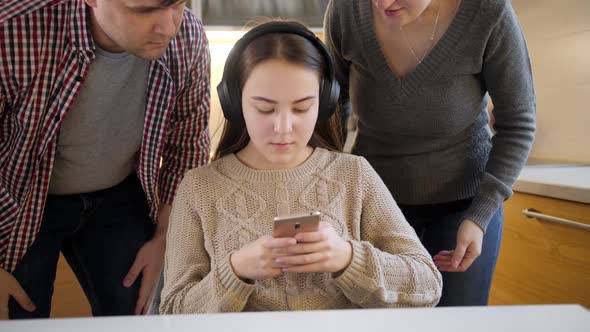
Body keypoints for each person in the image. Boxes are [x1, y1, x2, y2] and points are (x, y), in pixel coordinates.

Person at [159, 20, 442, 314]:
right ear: (234, 102)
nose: (283, 128)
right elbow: (172, 312)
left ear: (325, 102)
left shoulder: (354, 175)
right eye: (265, 108)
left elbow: (428, 284)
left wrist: (347, 258)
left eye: (302, 108)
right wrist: (235, 270)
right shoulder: (199, 187)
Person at [0, 0, 210, 319]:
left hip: (119, 192)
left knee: (144, 309)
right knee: (19, 314)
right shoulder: (11, 29)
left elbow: (188, 144)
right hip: (18, 198)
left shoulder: (187, 37)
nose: (168, 26)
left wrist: (166, 237)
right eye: (143, 10)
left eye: (178, 4)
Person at [323, 0, 536, 306]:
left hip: (464, 209)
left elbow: (519, 123)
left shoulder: (488, 12)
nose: (384, 3)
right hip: (374, 208)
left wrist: (479, 216)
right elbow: (329, 106)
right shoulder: (345, 11)